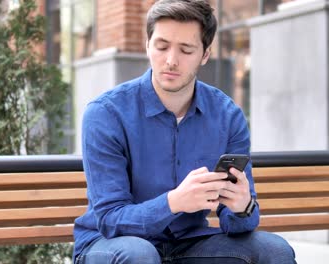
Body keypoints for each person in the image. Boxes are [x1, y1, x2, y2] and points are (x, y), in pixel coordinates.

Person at [73, 0, 296, 263]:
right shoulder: (106, 113)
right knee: (140, 254)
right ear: (147, 46)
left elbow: (238, 225)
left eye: (186, 50)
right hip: (110, 245)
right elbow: (111, 221)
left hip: (188, 243)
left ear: (205, 54)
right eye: (162, 46)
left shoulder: (228, 116)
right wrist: (174, 202)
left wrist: (242, 207)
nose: (171, 60)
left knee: (275, 251)